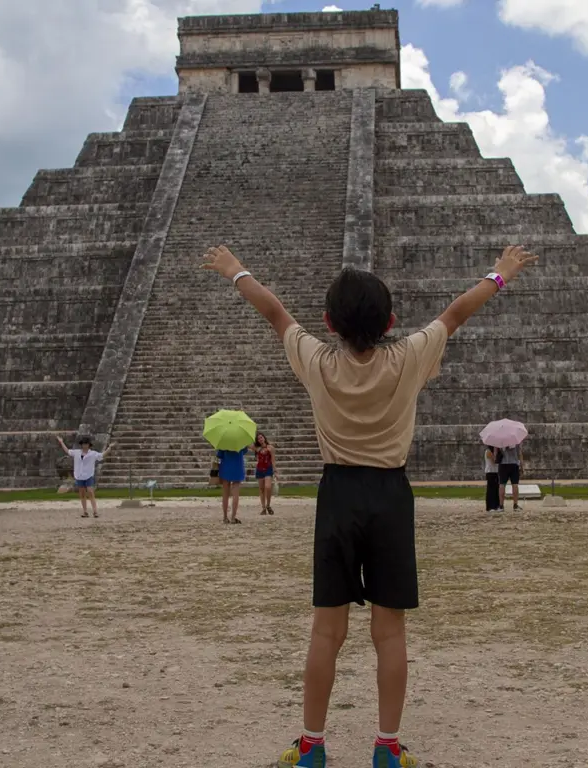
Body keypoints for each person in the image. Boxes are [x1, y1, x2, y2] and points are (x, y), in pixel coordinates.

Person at [201, 242, 537, 768]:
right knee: (390, 631)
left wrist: (233, 269)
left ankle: (312, 745)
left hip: (337, 494)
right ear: (392, 321)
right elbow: (456, 311)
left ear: (329, 323)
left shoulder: (316, 360)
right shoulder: (408, 357)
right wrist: (500, 275)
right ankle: (386, 746)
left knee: (326, 630)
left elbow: (272, 309)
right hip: (389, 495)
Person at [57, 434, 103, 518]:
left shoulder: (93, 453)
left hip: (88, 475)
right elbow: (67, 451)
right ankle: (85, 512)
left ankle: (95, 511)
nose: (85, 445)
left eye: (86, 444)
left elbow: (102, 456)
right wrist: (61, 442)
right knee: (82, 494)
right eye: (83, 444)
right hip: (79, 475)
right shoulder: (77, 452)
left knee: (90, 492)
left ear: (89, 445)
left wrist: (109, 448)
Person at [217, 445, 247, 524]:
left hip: (226, 467)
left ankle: (225, 517)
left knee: (225, 494)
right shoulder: (241, 441)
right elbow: (244, 451)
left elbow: (219, 455)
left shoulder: (224, 442)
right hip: (237, 466)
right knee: (235, 494)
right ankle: (233, 517)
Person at [254, 433, 277, 515]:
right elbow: (248, 445)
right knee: (261, 489)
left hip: (268, 468)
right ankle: (263, 507)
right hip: (260, 469)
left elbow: (273, 460)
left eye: (261, 437)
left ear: (264, 437)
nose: (260, 439)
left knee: (268, 487)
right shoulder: (257, 448)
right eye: (258, 438)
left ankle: (268, 505)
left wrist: (275, 470)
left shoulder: (270, 448)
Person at [497, 442, 523, 510]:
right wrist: (522, 466)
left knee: (502, 484)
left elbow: (496, 453)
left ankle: (501, 505)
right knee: (515, 484)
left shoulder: (500, 440)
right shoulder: (516, 440)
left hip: (503, 464)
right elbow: (520, 453)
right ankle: (515, 505)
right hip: (514, 464)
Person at [483, 445, 501, 512]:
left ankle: (496, 505)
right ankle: (490, 506)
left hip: (496, 472)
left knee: (496, 489)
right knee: (491, 490)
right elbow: (494, 461)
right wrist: (496, 455)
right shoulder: (488, 451)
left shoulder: (494, 452)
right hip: (490, 472)